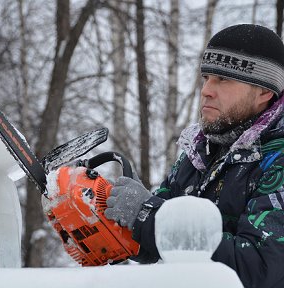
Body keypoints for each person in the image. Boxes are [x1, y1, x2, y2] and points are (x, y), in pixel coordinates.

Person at [103, 24, 284, 288]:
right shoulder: (200, 153)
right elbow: (153, 243)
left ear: (264, 93)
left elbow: (257, 268)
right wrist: (102, 217)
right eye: (207, 77)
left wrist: (147, 215)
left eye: (223, 79)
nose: (207, 90)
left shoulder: (277, 162)